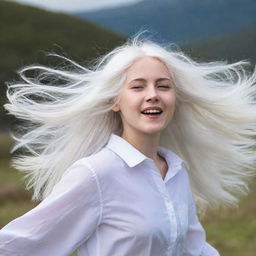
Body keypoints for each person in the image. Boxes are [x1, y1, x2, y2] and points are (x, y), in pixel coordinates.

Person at [1, 32, 256, 256]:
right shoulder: (96, 174)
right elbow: (19, 245)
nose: (153, 95)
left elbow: (194, 249)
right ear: (116, 102)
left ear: (175, 100)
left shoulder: (176, 172)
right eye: (137, 87)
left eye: (163, 86)